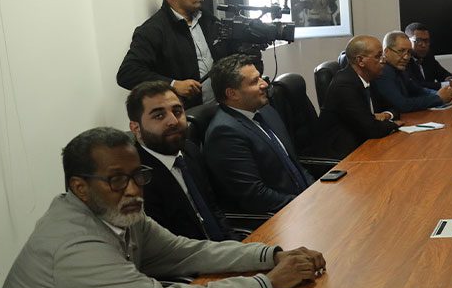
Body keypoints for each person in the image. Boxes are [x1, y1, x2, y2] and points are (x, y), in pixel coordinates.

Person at [0, 127, 326, 288]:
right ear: (80, 187)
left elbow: (187, 252)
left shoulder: (118, 212)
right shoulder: (73, 247)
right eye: (117, 180)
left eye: (138, 175)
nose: (134, 190)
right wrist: (269, 283)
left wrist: (271, 256)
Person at [201, 54, 315, 214]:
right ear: (232, 94)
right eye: (255, 81)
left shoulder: (266, 110)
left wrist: (316, 191)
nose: (264, 84)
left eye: (260, 77)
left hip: (305, 202)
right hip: (281, 216)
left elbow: (294, 164)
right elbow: (256, 196)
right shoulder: (224, 133)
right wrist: (304, 204)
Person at [127, 80, 234, 241]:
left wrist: (235, 244)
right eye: (159, 116)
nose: (173, 121)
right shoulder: (137, 179)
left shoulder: (190, 150)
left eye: (177, 111)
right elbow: (162, 246)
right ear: (136, 128)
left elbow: (213, 209)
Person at [117, 0, 227, 108]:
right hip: (186, 115)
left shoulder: (207, 19)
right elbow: (127, 73)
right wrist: (173, 85)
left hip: (220, 107)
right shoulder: (153, 30)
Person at [319, 35, 402, 159]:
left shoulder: (369, 78)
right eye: (378, 56)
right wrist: (393, 124)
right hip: (343, 154)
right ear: (360, 61)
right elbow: (371, 129)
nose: (383, 60)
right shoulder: (344, 86)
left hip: (364, 144)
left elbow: (394, 107)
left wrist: (386, 115)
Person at [373, 31, 452, 113]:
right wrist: (437, 98)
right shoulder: (382, 71)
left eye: (409, 52)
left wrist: (443, 94)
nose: (406, 57)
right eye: (401, 51)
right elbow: (403, 105)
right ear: (386, 51)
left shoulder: (399, 68)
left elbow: (418, 90)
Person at [404, 22, 452, 90]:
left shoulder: (428, 56)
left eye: (427, 41)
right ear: (407, 41)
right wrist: (446, 84)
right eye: (418, 41)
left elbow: (444, 74)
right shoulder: (404, 60)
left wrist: (451, 81)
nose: (424, 45)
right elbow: (417, 85)